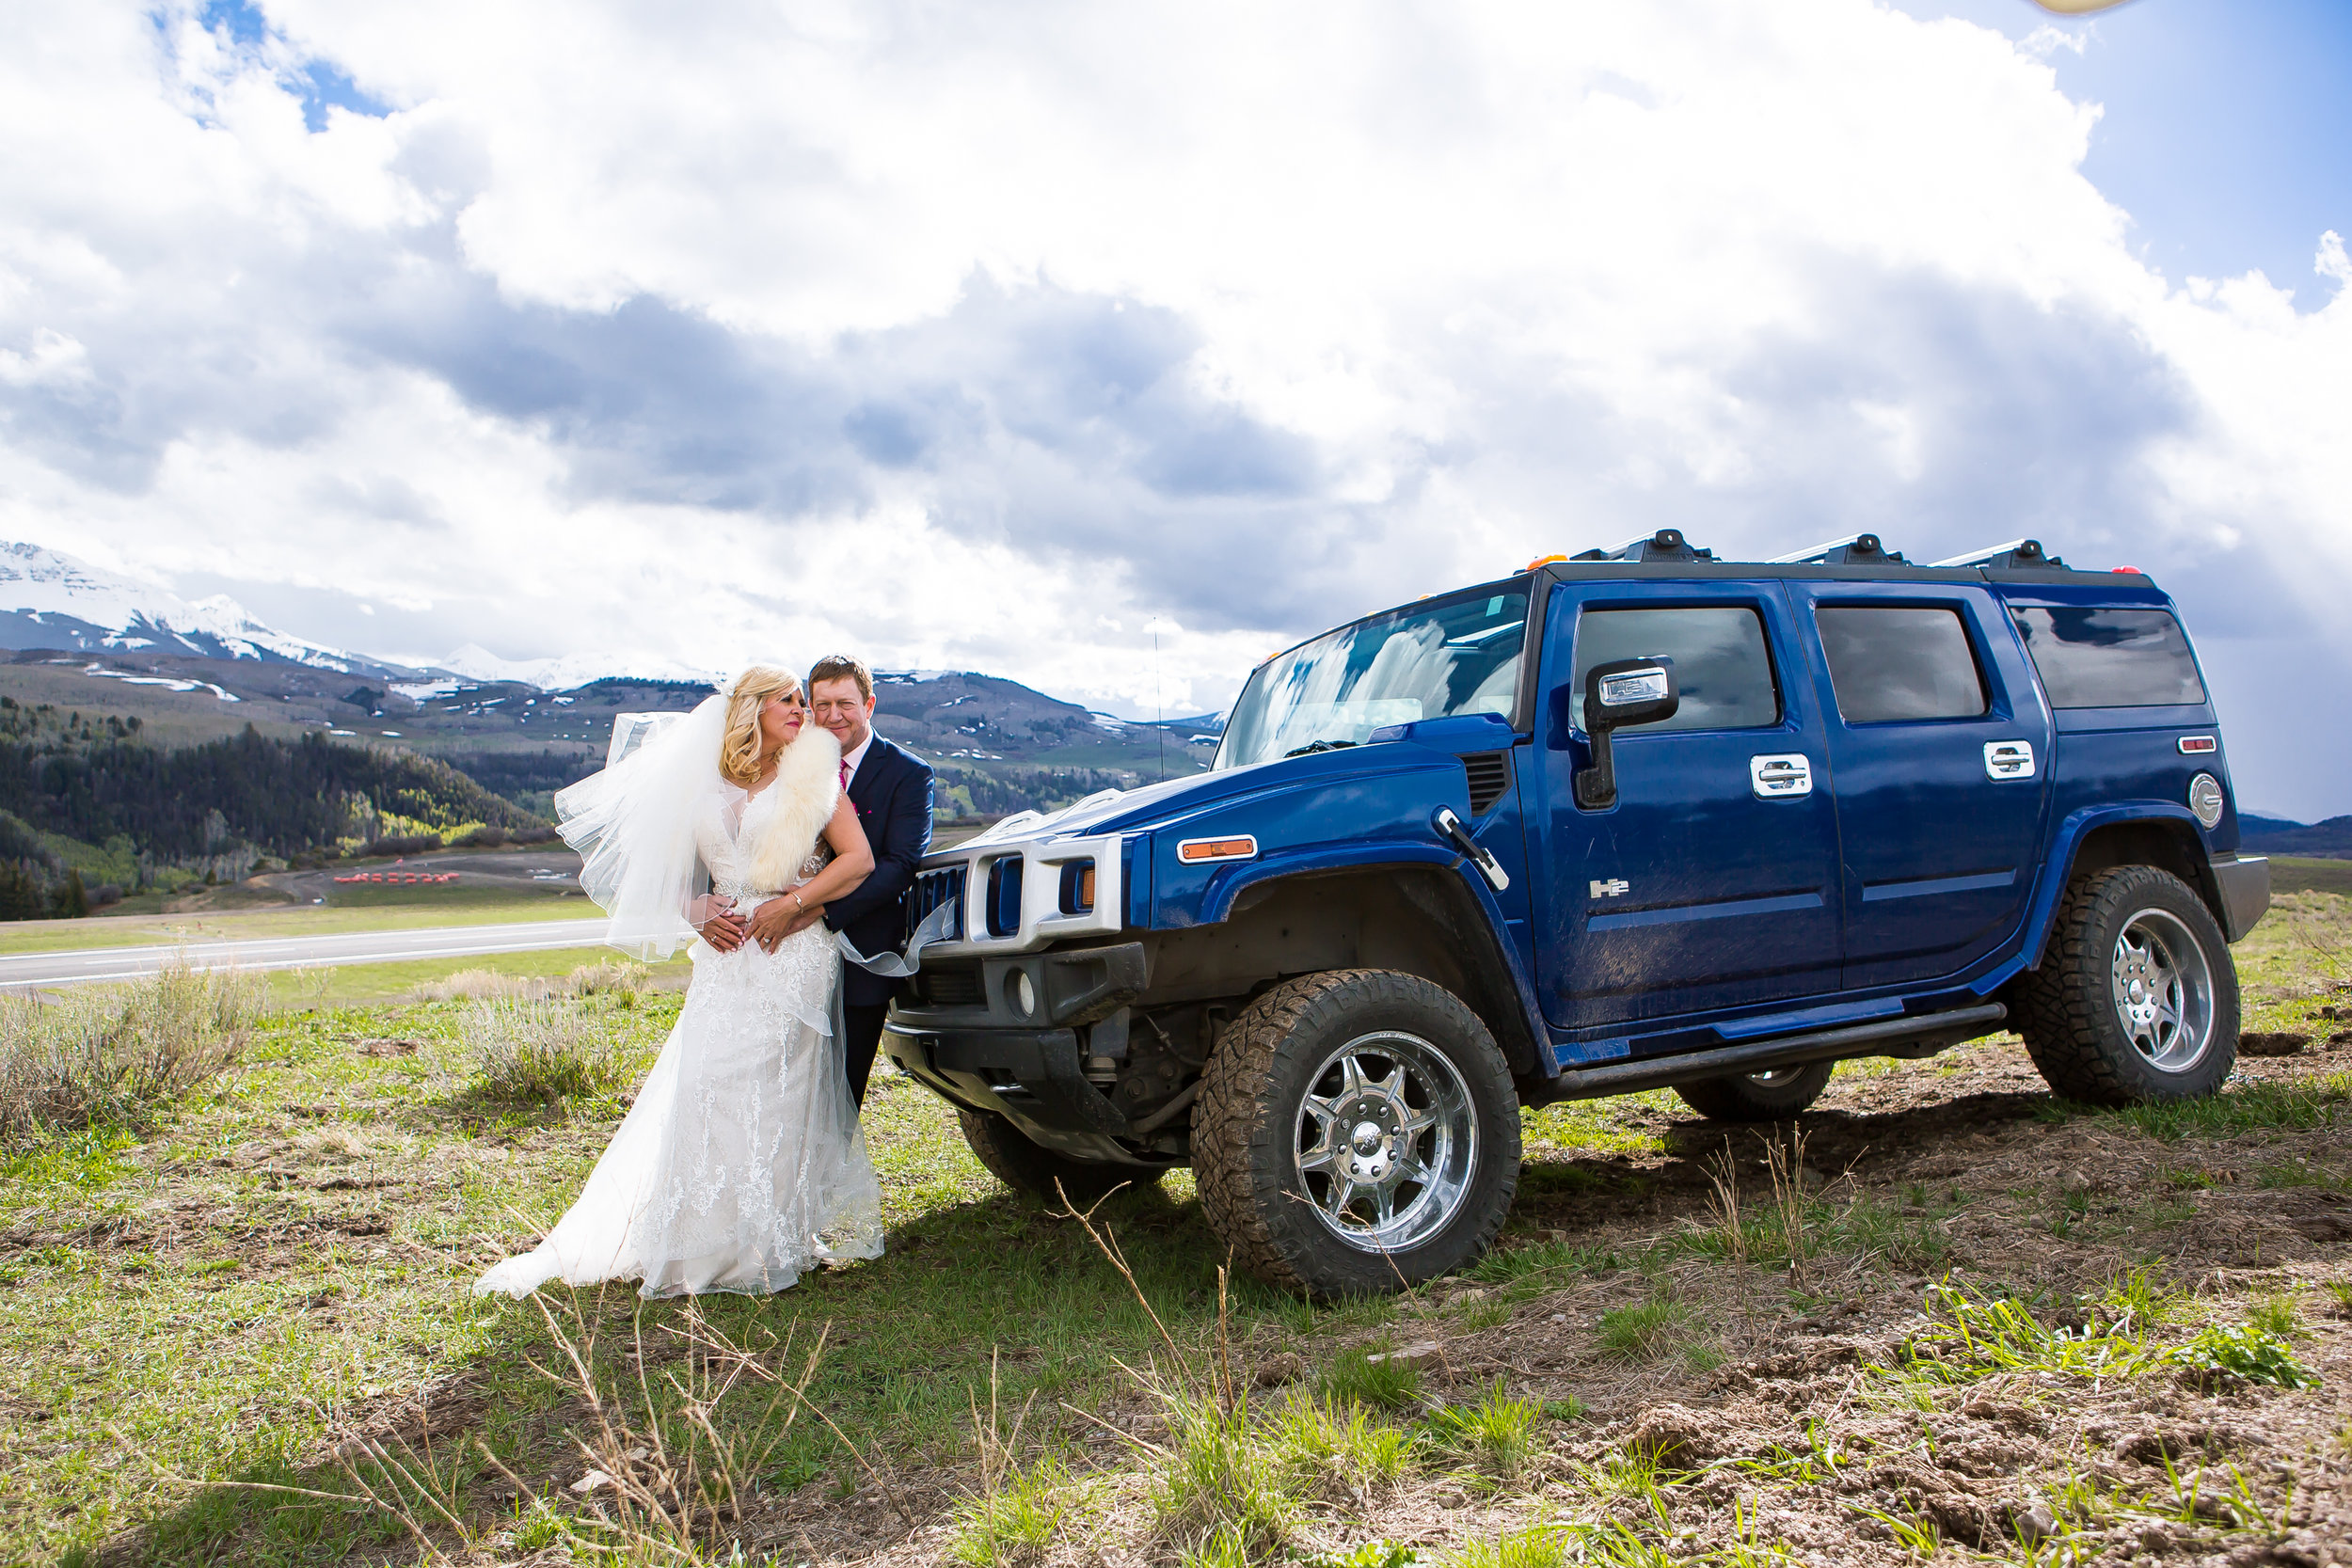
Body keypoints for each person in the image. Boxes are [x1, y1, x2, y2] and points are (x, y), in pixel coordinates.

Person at [474, 665, 883, 1299]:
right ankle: (703, 1240)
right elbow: (666, 873)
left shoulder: (811, 776)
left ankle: (775, 1238)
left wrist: (794, 902)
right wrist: (695, 911)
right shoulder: (701, 785)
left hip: (793, 946)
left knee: (780, 1088)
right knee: (709, 1084)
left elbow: (858, 859)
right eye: (789, 700)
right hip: (724, 959)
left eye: (804, 701)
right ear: (751, 709)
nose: (802, 710)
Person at [752, 654, 932, 1106]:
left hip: (861, 956)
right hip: (783, 955)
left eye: (845, 704)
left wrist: (817, 909)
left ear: (869, 704)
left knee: (840, 1096)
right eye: (822, 704)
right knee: (780, 1091)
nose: (833, 717)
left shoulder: (908, 774)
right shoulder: (786, 761)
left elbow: (900, 864)